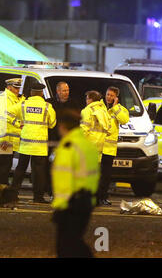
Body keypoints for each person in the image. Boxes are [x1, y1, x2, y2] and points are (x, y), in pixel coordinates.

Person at [51, 109, 100, 258]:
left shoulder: (69, 146)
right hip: (86, 202)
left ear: (63, 126)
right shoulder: (88, 146)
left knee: (65, 247)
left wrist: (61, 207)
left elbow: (64, 181)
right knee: (73, 243)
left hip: (71, 205)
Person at [6, 82, 56, 205]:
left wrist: (18, 124)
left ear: (32, 93)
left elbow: (7, 114)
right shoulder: (47, 107)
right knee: (38, 172)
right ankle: (38, 197)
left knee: (20, 170)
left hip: (25, 144)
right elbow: (52, 124)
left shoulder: (23, 104)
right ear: (41, 93)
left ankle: (13, 196)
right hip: (39, 146)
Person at [46, 82, 81, 197]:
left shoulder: (73, 103)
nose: (67, 93)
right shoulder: (50, 103)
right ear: (58, 91)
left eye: (67, 90)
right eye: (64, 91)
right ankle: (51, 192)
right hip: (52, 141)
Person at [0, 78, 24, 187]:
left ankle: (4, 192)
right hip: (3, 139)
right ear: (9, 87)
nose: (17, 90)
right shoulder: (3, 99)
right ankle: (3, 193)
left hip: (10, 139)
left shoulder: (16, 99)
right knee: (4, 168)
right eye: (15, 87)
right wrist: (19, 123)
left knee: (7, 167)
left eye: (18, 87)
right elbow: (5, 116)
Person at [98, 87, 129, 206]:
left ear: (116, 97)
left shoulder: (120, 109)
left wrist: (115, 107)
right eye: (107, 94)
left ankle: (103, 197)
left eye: (111, 95)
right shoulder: (99, 106)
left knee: (106, 175)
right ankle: (95, 197)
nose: (109, 97)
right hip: (99, 146)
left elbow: (124, 120)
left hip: (109, 149)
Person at [80, 91, 110, 160]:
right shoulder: (103, 110)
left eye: (87, 99)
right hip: (100, 145)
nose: (86, 101)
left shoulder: (87, 110)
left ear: (91, 100)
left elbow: (84, 129)